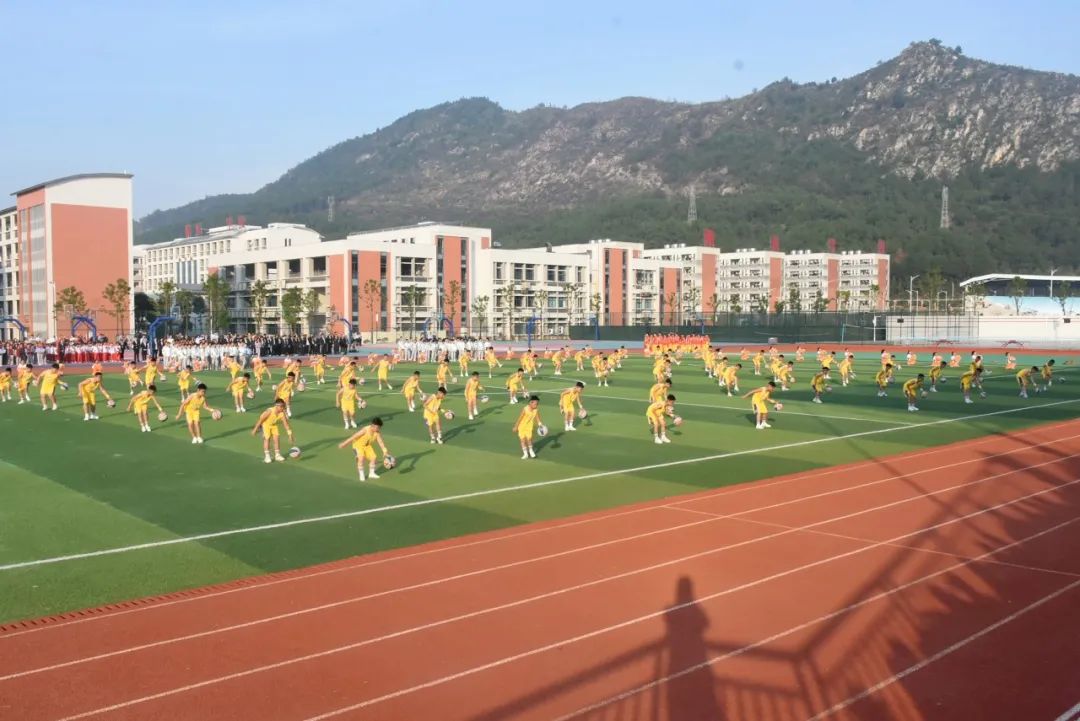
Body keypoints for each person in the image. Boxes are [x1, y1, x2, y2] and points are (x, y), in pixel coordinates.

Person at [339, 417, 391, 481]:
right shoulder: (365, 430)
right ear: (373, 426)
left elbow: (380, 442)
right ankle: (361, 474)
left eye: (379, 428)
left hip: (367, 446)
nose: (379, 429)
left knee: (373, 458)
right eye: (378, 427)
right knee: (361, 458)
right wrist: (344, 444)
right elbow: (353, 437)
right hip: (358, 446)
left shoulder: (377, 433)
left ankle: (371, 474)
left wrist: (384, 450)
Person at [252, 398, 294, 463]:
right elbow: (261, 420)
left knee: (276, 439)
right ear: (276, 406)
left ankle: (277, 455)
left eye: (283, 406)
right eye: (281, 406)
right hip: (265, 425)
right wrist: (255, 429)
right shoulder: (269, 411)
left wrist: (290, 435)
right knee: (267, 439)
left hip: (274, 425)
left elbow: (286, 424)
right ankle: (267, 456)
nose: (283, 408)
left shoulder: (282, 413)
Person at [512, 395, 543, 459]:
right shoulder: (525, 409)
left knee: (529, 439)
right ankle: (525, 453)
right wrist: (516, 426)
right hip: (522, 427)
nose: (536, 405)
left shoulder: (536, 410)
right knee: (522, 440)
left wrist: (540, 425)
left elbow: (538, 418)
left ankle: (531, 451)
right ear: (531, 403)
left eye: (537, 404)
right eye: (535, 404)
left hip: (529, 427)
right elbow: (520, 418)